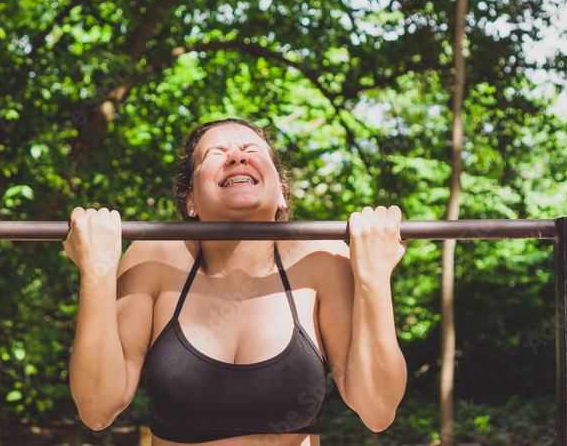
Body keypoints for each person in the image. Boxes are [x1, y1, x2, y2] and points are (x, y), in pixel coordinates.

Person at [63, 118, 407, 444]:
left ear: (281, 194)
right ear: (191, 201)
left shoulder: (320, 257)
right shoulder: (155, 256)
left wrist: (373, 278)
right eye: (216, 154)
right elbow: (97, 409)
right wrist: (96, 272)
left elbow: (378, 410)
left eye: (252, 150)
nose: (237, 156)